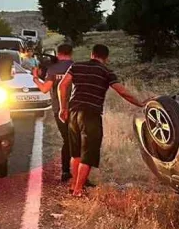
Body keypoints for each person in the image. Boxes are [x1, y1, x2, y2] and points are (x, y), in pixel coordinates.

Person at [57, 44, 145, 196]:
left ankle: (73, 186)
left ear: (92, 54)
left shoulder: (77, 66)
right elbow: (122, 92)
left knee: (76, 153)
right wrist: (141, 104)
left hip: (73, 112)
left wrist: (63, 108)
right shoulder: (106, 72)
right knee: (88, 153)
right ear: (106, 58)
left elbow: (62, 86)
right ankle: (78, 190)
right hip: (90, 114)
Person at [35, 43, 74, 181]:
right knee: (77, 140)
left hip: (59, 110)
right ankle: (78, 173)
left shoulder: (52, 69)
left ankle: (65, 171)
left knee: (67, 140)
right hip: (75, 110)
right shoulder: (75, 67)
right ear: (71, 53)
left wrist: (35, 78)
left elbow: (45, 89)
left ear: (58, 53)